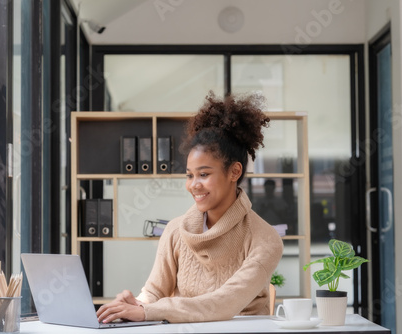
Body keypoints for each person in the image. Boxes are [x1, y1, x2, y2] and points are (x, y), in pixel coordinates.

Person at [96, 92, 284, 324]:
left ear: (234, 172)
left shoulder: (265, 239)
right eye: (189, 175)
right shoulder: (175, 231)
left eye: (204, 174)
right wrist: (136, 303)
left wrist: (151, 310)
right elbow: (155, 292)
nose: (193, 185)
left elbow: (225, 303)